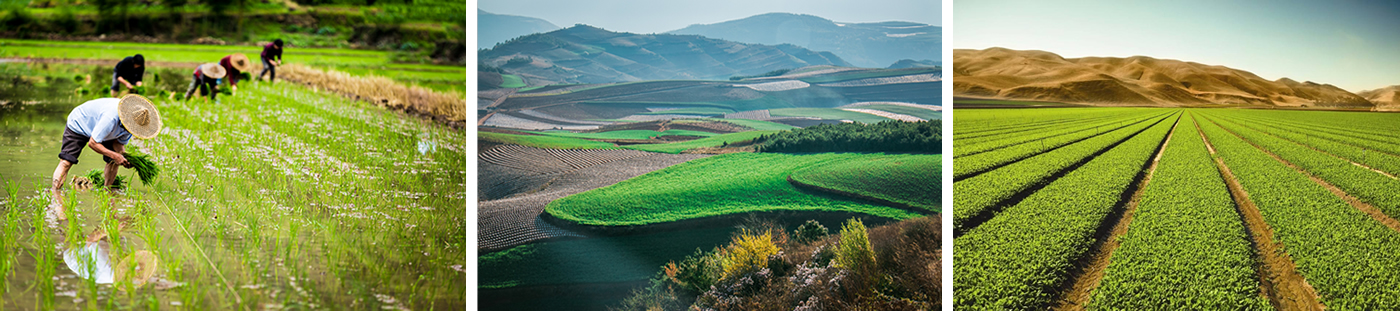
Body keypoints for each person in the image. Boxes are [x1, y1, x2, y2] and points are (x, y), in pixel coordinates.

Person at [49, 95, 163, 220]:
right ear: (127, 120)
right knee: (66, 162)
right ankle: (55, 196)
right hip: (80, 124)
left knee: (113, 162)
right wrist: (115, 155)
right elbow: (93, 143)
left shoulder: (130, 127)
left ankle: (107, 192)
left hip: (105, 132)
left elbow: (118, 144)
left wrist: (124, 158)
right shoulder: (110, 118)